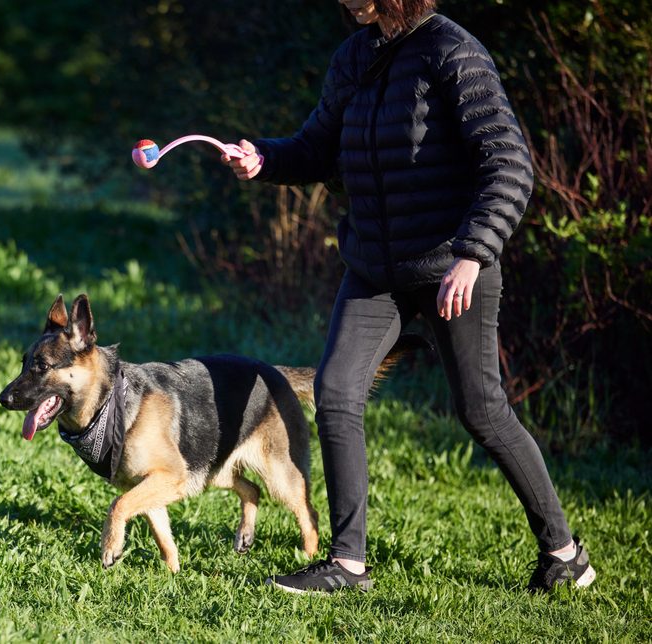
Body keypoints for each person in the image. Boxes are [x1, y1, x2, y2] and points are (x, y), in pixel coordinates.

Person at [223, 0, 595, 593]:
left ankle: (564, 552)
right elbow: (320, 147)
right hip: (374, 269)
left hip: (453, 268)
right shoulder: (354, 57)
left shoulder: (453, 51)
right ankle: (347, 564)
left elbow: (509, 164)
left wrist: (473, 254)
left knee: (482, 410)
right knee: (336, 391)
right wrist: (265, 158)